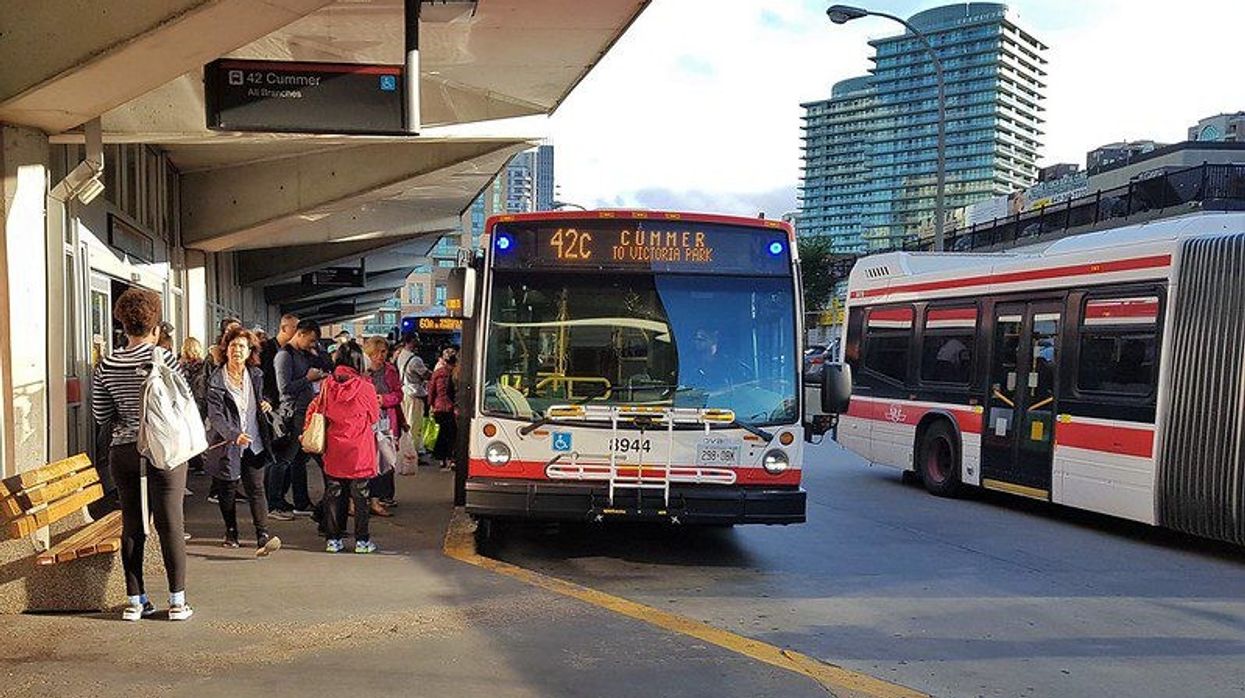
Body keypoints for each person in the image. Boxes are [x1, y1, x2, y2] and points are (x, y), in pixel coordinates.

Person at [90, 288, 193, 621]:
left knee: (132, 524)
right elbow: (185, 401)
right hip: (164, 450)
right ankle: (177, 602)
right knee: (170, 523)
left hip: (124, 451)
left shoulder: (107, 364)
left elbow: (101, 414)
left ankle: (136, 601)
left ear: (123, 325)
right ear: (156, 327)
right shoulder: (165, 359)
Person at [205, 327, 282, 556]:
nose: (237, 350)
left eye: (241, 346)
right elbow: (215, 415)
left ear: (249, 352)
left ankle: (262, 535)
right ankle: (231, 531)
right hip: (228, 443)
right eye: (233, 346)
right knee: (228, 488)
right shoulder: (216, 379)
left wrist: (267, 402)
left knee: (256, 488)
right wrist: (233, 434)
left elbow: (270, 394)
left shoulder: (256, 375)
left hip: (254, 440)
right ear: (226, 350)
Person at [312, 340, 380, 554]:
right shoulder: (366, 387)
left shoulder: (327, 385)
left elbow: (321, 410)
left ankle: (333, 540)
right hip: (359, 448)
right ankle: (362, 541)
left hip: (334, 446)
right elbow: (374, 417)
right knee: (361, 496)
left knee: (334, 492)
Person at [272, 319, 327, 519]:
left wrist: (317, 354)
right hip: (293, 412)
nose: (312, 344)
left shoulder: (301, 354)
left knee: (298, 460)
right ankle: (274, 503)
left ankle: (301, 501)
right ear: (300, 334)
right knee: (285, 460)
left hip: (304, 412)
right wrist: (308, 379)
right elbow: (284, 388)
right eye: (311, 340)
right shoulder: (284, 356)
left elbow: (324, 363)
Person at [363, 337, 402, 514]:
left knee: (385, 459)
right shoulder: (362, 372)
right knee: (368, 460)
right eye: (377, 353)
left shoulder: (391, 371)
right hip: (366, 421)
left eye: (384, 352)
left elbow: (399, 394)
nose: (381, 356)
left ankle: (380, 497)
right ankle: (369, 497)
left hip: (386, 420)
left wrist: (384, 399)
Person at [392, 333, 430, 464]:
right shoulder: (415, 360)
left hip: (404, 392)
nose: (418, 341)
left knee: (406, 422)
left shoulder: (400, 355)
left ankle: (404, 451)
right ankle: (412, 454)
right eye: (416, 339)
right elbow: (426, 375)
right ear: (411, 341)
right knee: (414, 424)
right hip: (414, 394)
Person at [179, 338, 209, 475]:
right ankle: (199, 461)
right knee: (198, 430)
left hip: (185, 402)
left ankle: (192, 460)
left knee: (186, 431)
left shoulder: (179, 366)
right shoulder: (204, 365)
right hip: (200, 401)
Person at [427, 347, 459, 471]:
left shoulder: (437, 373)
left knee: (442, 433)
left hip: (439, 407)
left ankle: (442, 458)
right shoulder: (456, 374)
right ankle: (451, 458)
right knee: (452, 434)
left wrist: (430, 405)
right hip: (451, 408)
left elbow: (431, 391)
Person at [260, 314, 299, 406]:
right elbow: (261, 376)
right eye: (295, 328)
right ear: (284, 328)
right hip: (269, 404)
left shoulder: (294, 352)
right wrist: (266, 399)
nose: (298, 332)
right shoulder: (266, 348)